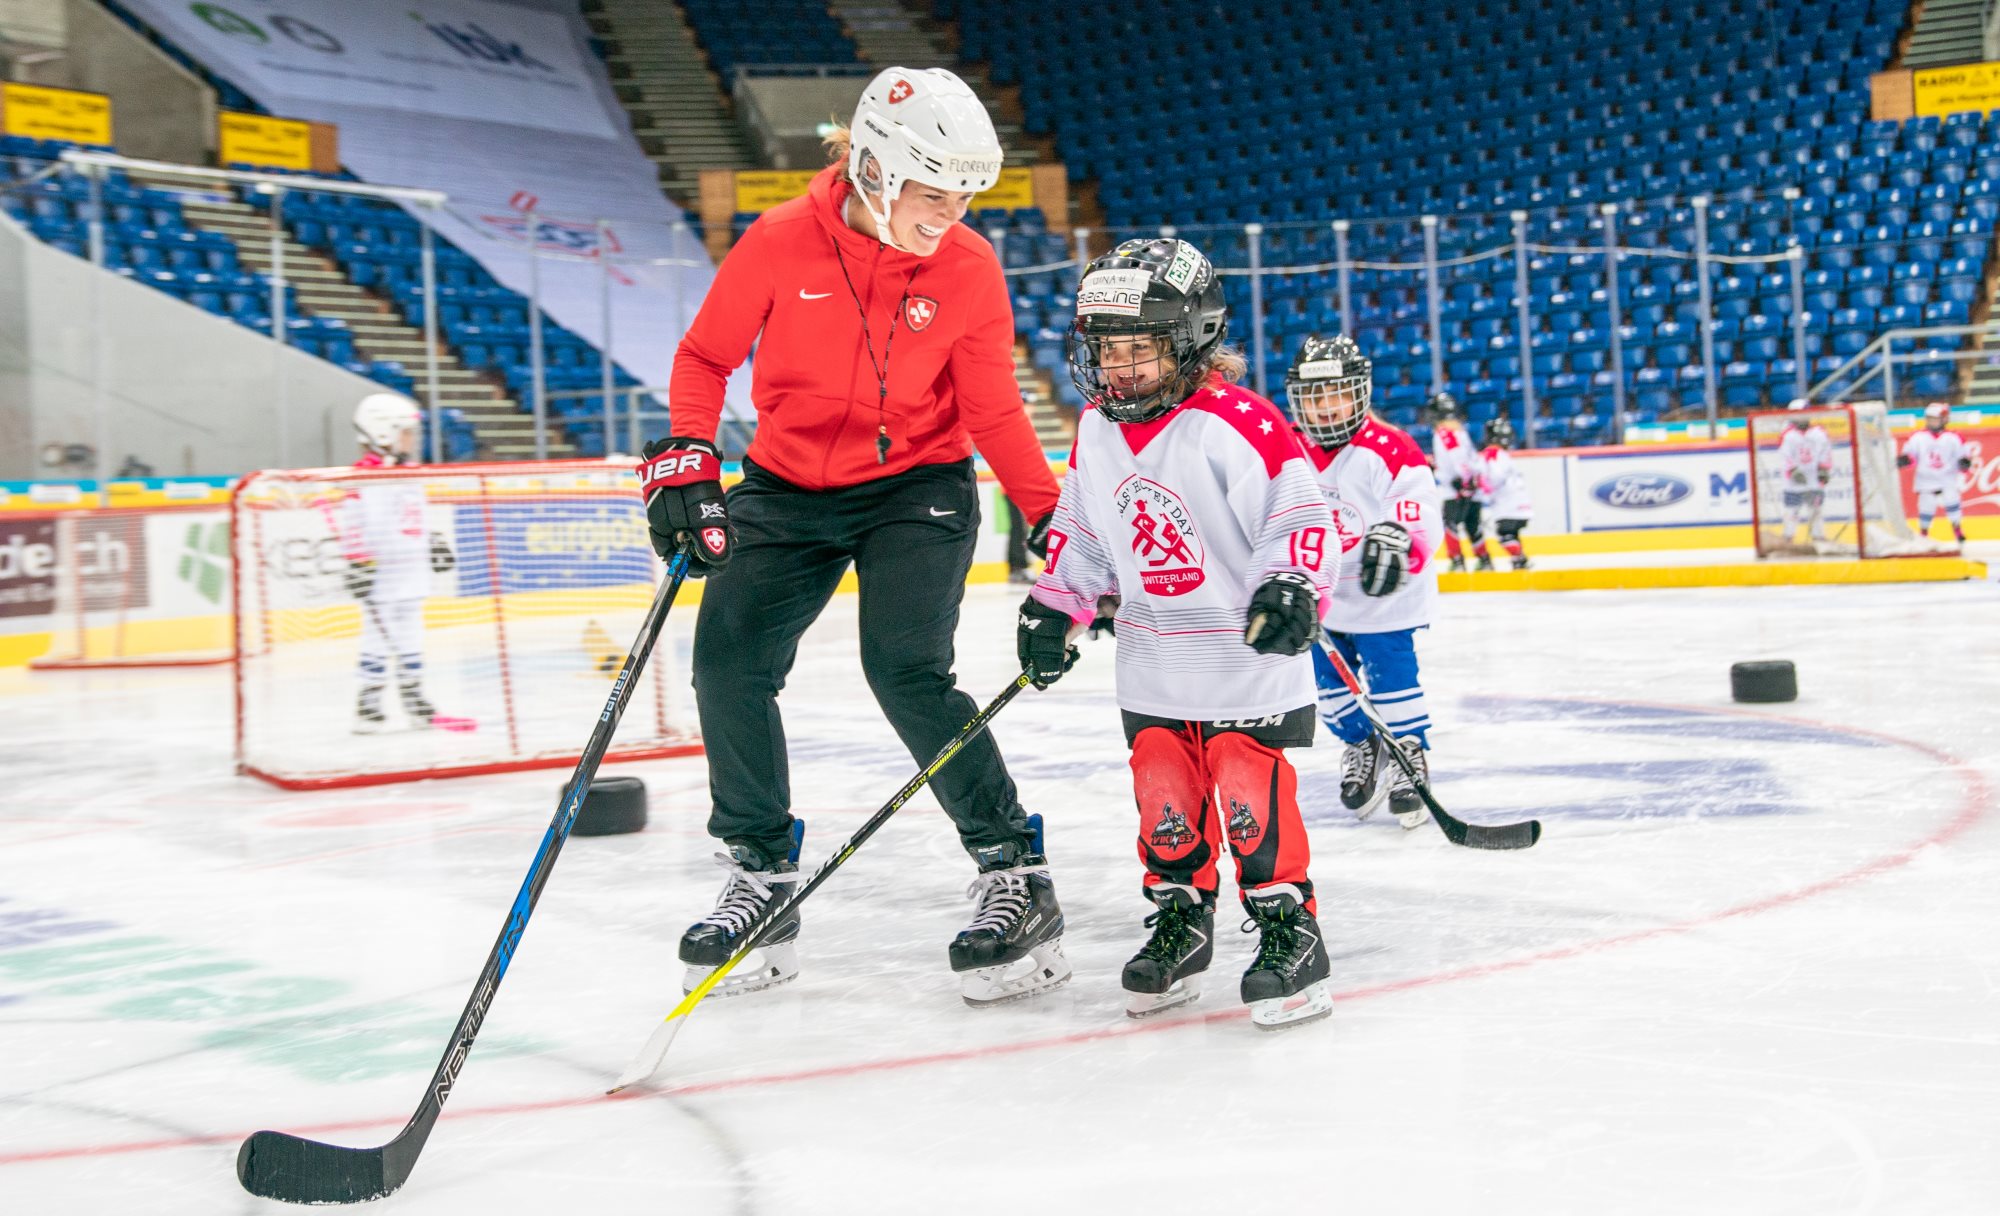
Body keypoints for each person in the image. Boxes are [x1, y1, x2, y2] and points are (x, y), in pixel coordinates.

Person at [637, 67, 1066, 1006]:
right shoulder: (782, 241)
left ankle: (1012, 870)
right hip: (788, 484)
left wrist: (1049, 515)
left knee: (904, 667)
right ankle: (760, 875)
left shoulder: (967, 269)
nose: (947, 214)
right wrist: (688, 458)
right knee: (729, 663)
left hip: (918, 483)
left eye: (961, 196)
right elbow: (706, 356)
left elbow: (993, 409)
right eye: (931, 192)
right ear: (873, 167)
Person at [1017, 237, 1339, 1030]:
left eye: (1140, 349)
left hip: (1245, 657)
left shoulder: (1238, 421)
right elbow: (1085, 528)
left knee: (1242, 785)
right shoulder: (1095, 429)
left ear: (1191, 339)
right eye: (1106, 349)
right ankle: (1180, 919)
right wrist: (1056, 604)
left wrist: (1291, 585)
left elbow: (1300, 515)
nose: (1120, 368)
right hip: (1154, 658)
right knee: (1164, 783)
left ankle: (1287, 928)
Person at [1286, 336, 1442, 832]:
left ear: (1359, 393)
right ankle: (1362, 744)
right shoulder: (1288, 448)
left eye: (1336, 393)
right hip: (1321, 599)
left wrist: (1401, 537)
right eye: (1315, 396)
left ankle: (1409, 756)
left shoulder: (1389, 446)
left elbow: (1416, 505)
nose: (1326, 407)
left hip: (1382, 597)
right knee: (1326, 692)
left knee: (1393, 681)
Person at [330, 393, 454, 733]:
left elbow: (412, 515)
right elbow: (354, 523)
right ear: (382, 433)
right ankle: (368, 701)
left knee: (411, 636)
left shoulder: (409, 473)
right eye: (406, 432)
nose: (413, 440)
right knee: (377, 638)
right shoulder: (363, 478)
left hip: (412, 573)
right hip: (382, 576)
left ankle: (414, 697)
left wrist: (432, 541)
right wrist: (357, 562)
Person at [1898, 402, 1971, 545]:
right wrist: (1905, 460)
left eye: (1935, 418)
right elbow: (1911, 456)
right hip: (1926, 479)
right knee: (1926, 506)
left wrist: (1964, 463)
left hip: (1947, 478)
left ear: (1944, 419)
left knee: (1952, 501)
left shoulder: (1954, 437)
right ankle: (1924, 532)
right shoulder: (1917, 437)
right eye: (1929, 418)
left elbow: (1963, 457)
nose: (1932, 422)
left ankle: (1957, 529)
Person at [1428, 393, 1480, 572]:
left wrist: (1463, 481)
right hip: (1465, 483)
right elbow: (1468, 456)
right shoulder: (1459, 430)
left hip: (1455, 487)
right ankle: (1484, 559)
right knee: (1472, 524)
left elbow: (1457, 457)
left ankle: (1457, 561)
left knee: (1450, 523)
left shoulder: (1444, 432)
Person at [1474, 417, 1534, 570]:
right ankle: (1519, 562)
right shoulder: (1503, 454)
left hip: (1507, 503)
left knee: (1504, 535)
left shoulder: (1491, 453)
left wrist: (1480, 486)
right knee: (1512, 534)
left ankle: (1520, 558)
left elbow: (1494, 476)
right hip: (1520, 502)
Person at [1779, 403, 1834, 548]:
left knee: (1815, 510)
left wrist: (1824, 469)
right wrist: (1792, 470)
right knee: (1792, 511)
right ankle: (1788, 537)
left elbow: (1825, 451)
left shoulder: (1819, 433)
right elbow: (1785, 455)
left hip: (1813, 479)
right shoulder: (1788, 435)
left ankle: (1818, 536)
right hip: (1793, 482)